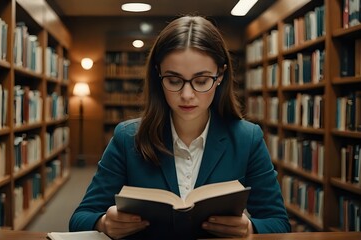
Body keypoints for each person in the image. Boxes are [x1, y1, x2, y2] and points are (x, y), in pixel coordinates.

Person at [69, 15, 291, 239]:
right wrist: (104, 222)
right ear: (158, 75)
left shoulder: (247, 139)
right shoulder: (127, 138)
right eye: (174, 80)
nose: (186, 95)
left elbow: (279, 223)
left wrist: (249, 228)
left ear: (220, 76)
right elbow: (80, 218)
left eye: (201, 80)